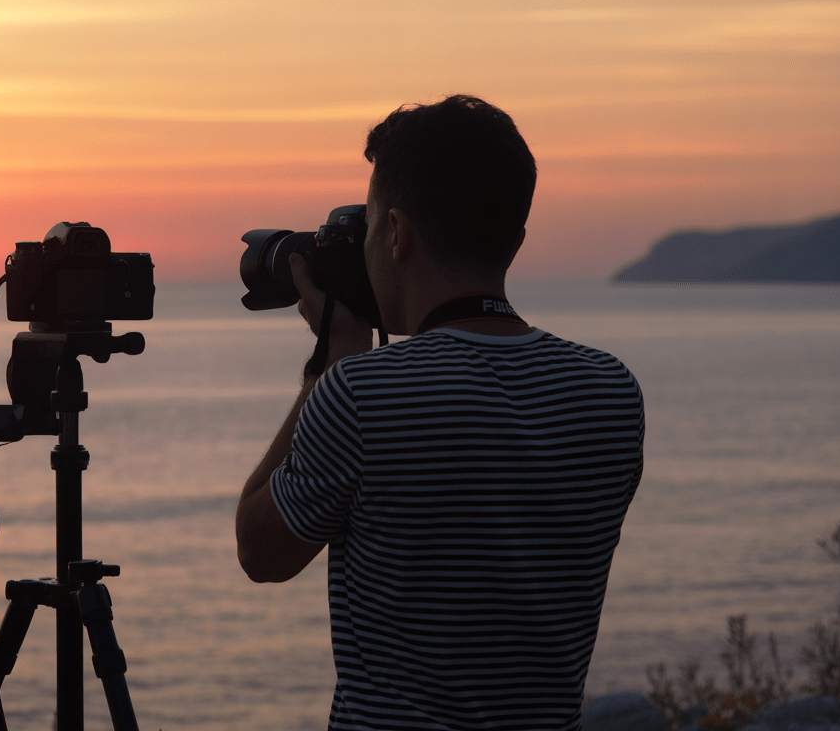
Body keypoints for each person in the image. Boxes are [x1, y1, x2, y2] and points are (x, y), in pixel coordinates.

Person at [235, 95, 644, 731]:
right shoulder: (610, 391)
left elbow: (261, 551)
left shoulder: (361, 396)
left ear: (397, 233)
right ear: (516, 237)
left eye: (370, 226)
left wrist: (331, 363)